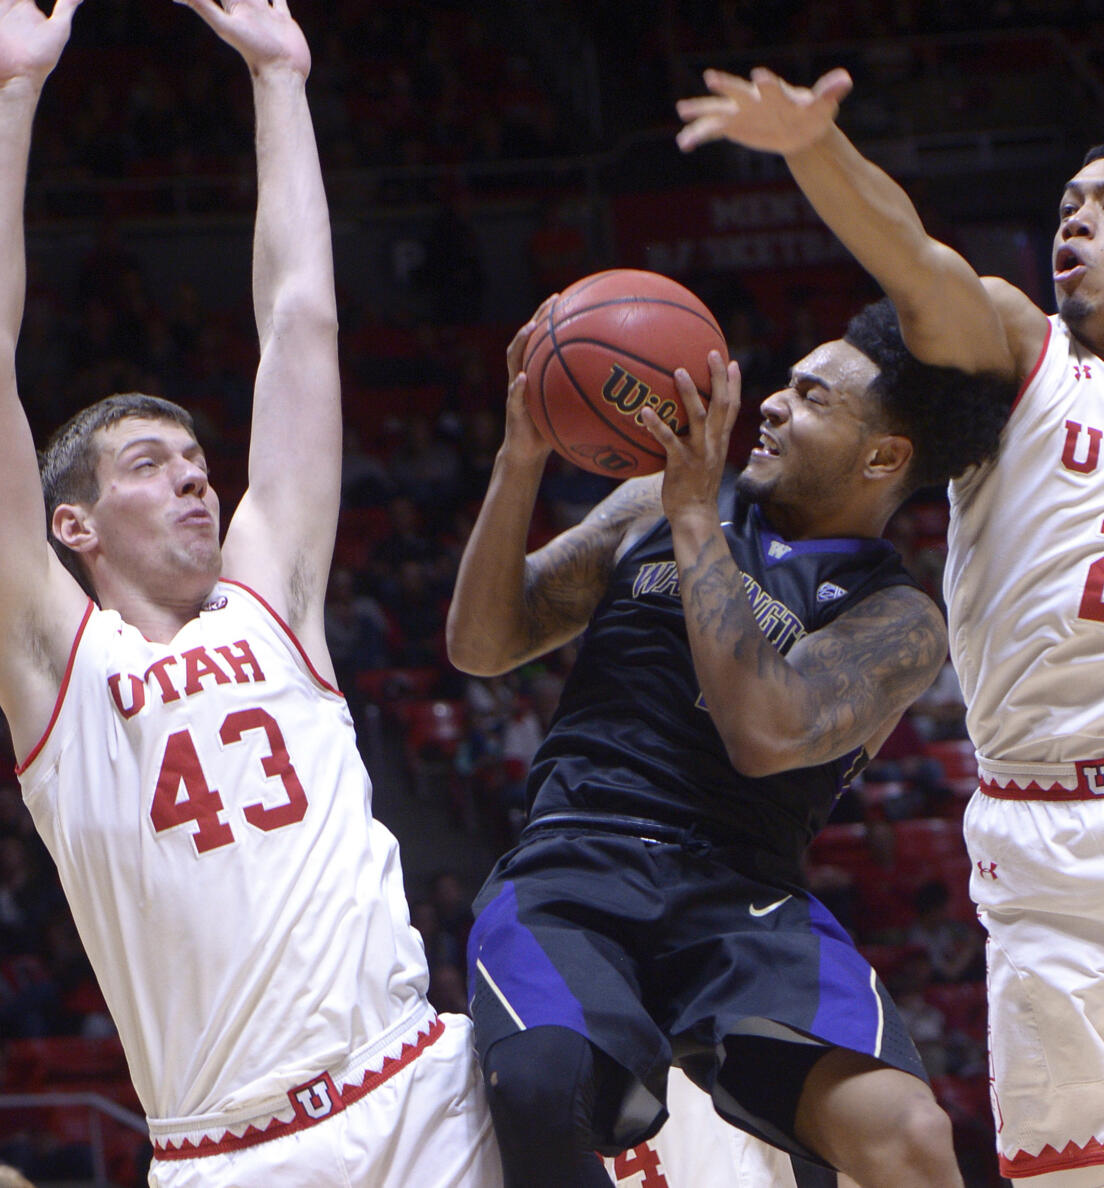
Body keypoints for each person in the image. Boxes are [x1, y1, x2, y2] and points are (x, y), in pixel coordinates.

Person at [676, 60, 1104, 1188]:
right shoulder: (1024, 355)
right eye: (1067, 202)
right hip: (1034, 835)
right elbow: (911, 261)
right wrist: (811, 149)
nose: (1077, 216)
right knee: (1062, 1175)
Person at [0, 2, 499, 1184]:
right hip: (236, 1150)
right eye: (146, 466)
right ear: (71, 525)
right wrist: (14, 100)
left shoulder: (271, 600)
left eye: (195, 462)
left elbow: (299, 322)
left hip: (417, 1084)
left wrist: (280, 76)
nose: (191, 479)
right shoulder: (55, 663)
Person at [446, 290, 1011, 1188]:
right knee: (541, 1088)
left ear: (885, 456)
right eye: (788, 383)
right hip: (572, 865)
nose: (775, 404)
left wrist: (696, 525)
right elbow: (482, 643)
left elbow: (762, 731)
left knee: (909, 1137)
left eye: (815, 397)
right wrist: (521, 456)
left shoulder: (900, 620)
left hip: (741, 895)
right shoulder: (649, 504)